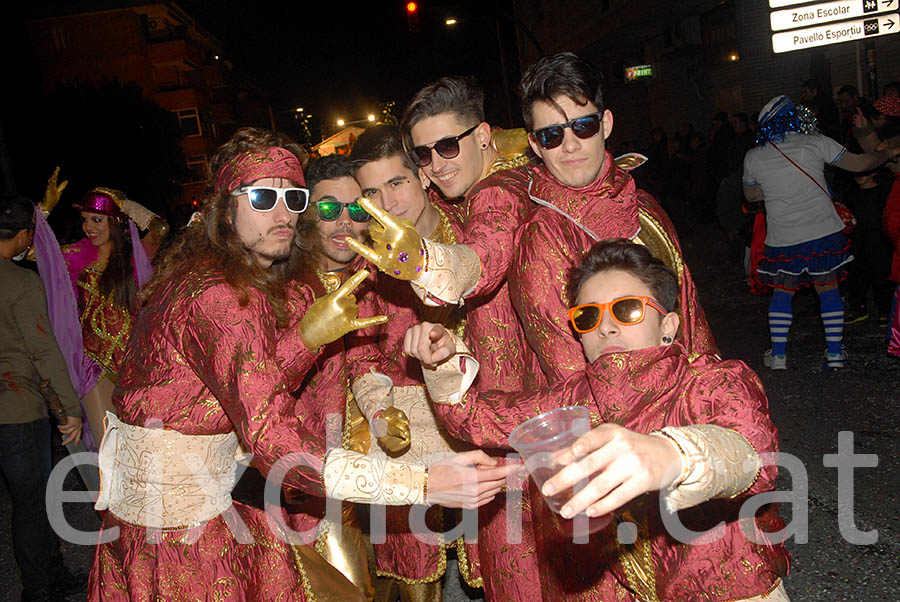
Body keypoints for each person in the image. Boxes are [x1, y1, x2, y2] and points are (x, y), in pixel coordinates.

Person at [87, 128, 512, 601]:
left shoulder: (221, 274)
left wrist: (307, 339)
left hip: (185, 512)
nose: (283, 211)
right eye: (264, 196)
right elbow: (270, 432)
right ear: (226, 207)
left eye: (292, 196)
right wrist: (425, 481)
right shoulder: (219, 294)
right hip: (180, 538)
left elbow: (231, 385)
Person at [405, 239, 791, 602]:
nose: (606, 326)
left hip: (730, 590)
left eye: (627, 309)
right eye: (588, 316)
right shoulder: (572, 398)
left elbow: (752, 455)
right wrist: (439, 363)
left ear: (669, 326)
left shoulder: (711, 382)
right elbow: (475, 418)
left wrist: (675, 454)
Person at [350, 124, 479, 600]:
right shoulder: (367, 266)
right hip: (407, 458)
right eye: (370, 191)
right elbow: (362, 361)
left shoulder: (473, 237)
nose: (385, 201)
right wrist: (378, 413)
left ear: (423, 177)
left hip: (477, 440)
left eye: (397, 182)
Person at [742, 95, 900, 370]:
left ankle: (778, 355)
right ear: (795, 117)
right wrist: (886, 153)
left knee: (783, 292)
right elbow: (859, 164)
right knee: (828, 290)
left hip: (784, 237)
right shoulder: (816, 142)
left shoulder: (754, 156)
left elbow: (751, 194)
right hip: (823, 233)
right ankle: (835, 353)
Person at [35, 171, 169, 450]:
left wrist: (124, 203)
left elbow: (161, 229)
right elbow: (32, 252)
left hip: (135, 365)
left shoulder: (136, 256)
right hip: (93, 363)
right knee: (109, 446)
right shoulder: (74, 256)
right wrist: (44, 209)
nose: (89, 227)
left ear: (116, 222)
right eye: (84, 220)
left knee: (145, 445)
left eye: (97, 220)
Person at [0, 194, 86, 602]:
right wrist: (69, 409)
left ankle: (52, 573)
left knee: (30, 498)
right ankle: (39, 588)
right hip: (16, 409)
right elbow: (43, 350)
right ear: (21, 236)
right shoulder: (19, 283)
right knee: (32, 502)